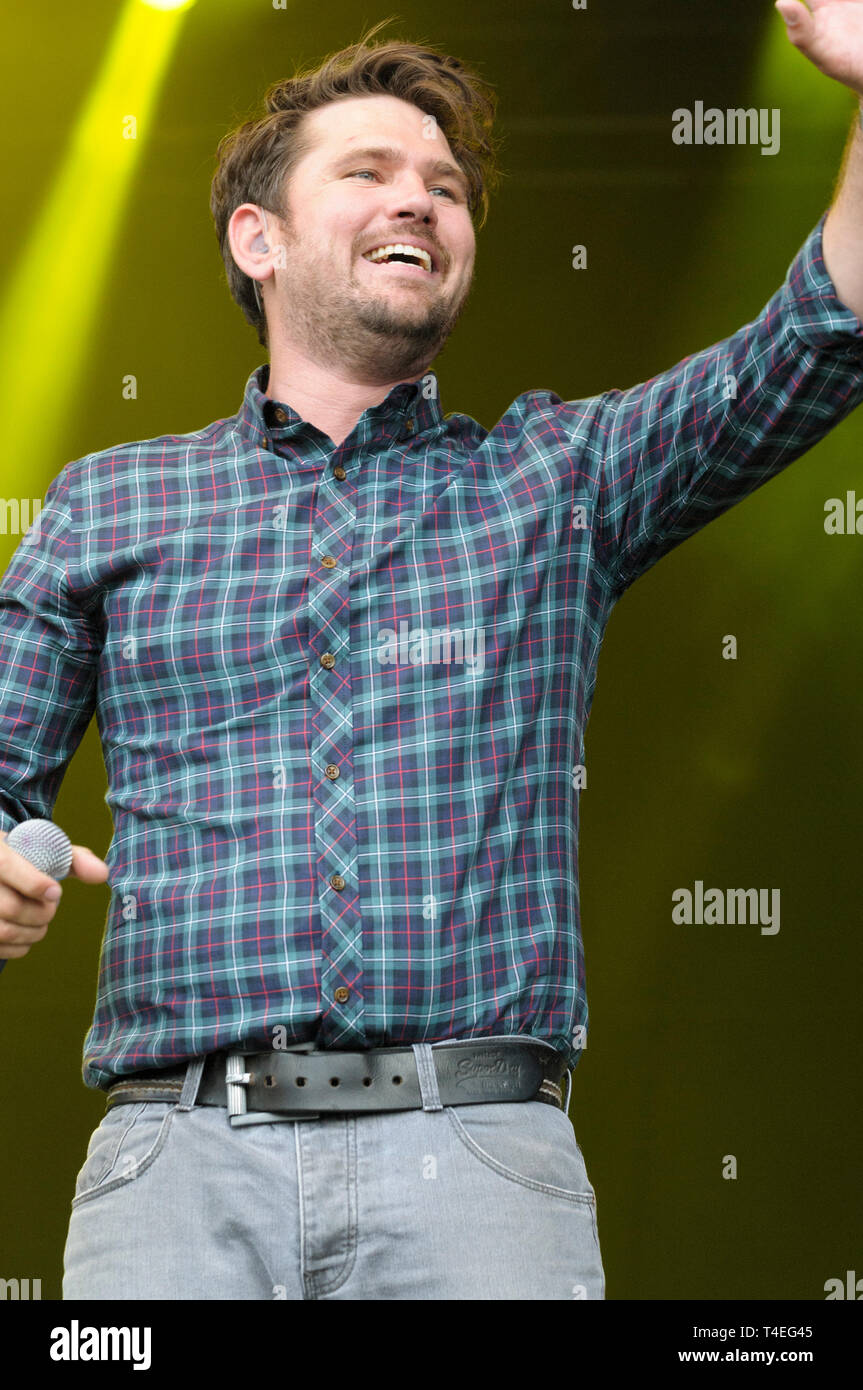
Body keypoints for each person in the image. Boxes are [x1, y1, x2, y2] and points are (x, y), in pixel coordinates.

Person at [2, 10, 863, 1300]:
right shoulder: (109, 501)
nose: (421, 197)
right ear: (260, 239)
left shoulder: (554, 478)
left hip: (476, 1165)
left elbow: (820, 333)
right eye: (369, 172)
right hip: (173, 1166)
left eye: (446, 186)